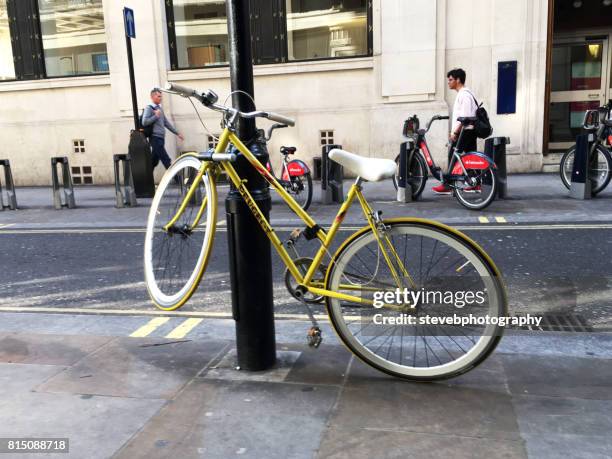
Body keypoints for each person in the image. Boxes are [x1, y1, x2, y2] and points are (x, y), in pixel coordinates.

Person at [432, 68, 479, 195]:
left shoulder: (464, 95)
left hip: (465, 132)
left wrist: (455, 133)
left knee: (453, 156)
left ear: (458, 80)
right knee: (471, 157)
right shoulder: (467, 94)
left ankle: (448, 185)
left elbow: (465, 118)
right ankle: (477, 184)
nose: (449, 82)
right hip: (468, 131)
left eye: (451, 79)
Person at [142, 88, 184, 170]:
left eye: (161, 96)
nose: (160, 98)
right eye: (158, 96)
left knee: (153, 161)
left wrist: (177, 133)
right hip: (155, 138)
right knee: (166, 159)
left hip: (161, 138)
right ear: (152, 97)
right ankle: (178, 180)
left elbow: (166, 123)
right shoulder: (149, 108)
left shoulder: (159, 109)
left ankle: (145, 180)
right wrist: (155, 116)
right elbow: (144, 122)